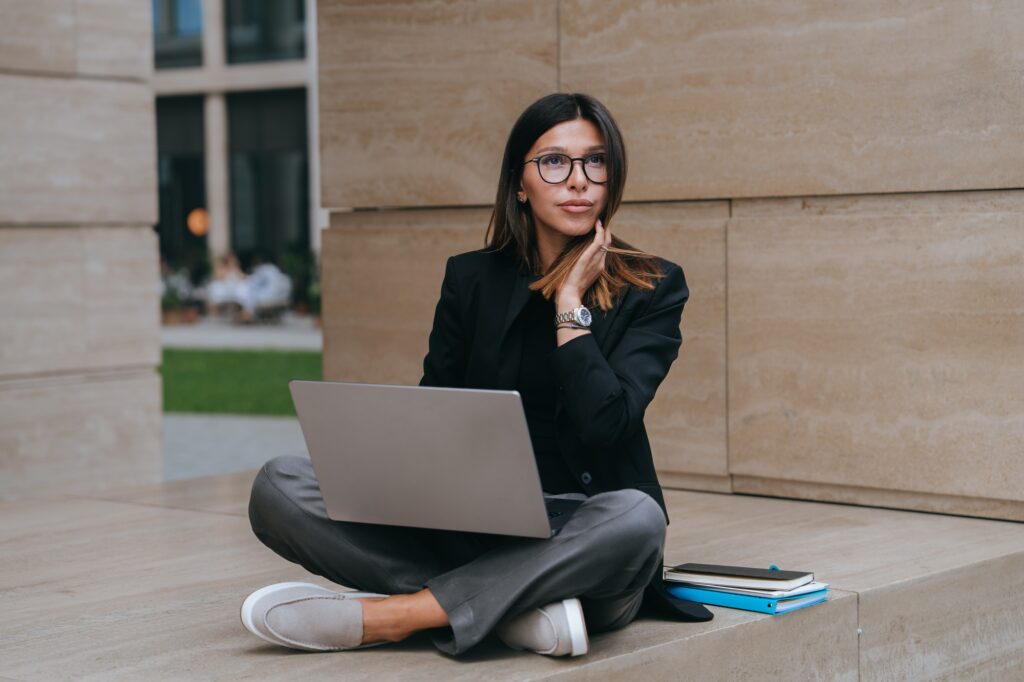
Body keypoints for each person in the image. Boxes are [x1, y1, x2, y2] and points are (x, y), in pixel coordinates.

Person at [242, 93, 711, 658]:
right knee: (277, 485)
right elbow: (433, 417)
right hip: (475, 529)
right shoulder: (471, 280)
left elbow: (605, 423)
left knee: (639, 517)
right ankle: (511, 611)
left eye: (596, 162)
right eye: (555, 162)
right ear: (520, 182)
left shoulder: (652, 285)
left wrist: (569, 306)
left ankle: (400, 615)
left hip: (583, 540)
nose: (579, 181)